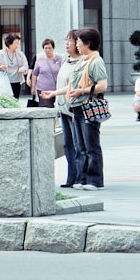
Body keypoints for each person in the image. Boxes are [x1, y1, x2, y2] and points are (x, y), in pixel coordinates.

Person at [41, 27, 108, 191]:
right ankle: (84, 178)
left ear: (88, 43)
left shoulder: (96, 61)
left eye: (78, 41)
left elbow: (102, 85)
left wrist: (82, 91)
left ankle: (95, 180)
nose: (76, 44)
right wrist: (55, 93)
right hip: (76, 107)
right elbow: (72, 86)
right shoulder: (82, 61)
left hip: (87, 107)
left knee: (92, 146)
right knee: (82, 146)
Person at [53, 31, 82, 188]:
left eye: (69, 41)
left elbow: (75, 87)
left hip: (73, 110)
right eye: (66, 40)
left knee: (77, 145)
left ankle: (79, 177)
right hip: (62, 108)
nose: (66, 43)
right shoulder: (66, 60)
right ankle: (71, 177)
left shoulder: (81, 62)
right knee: (67, 145)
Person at [0, 33, 29, 98]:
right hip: (3, 82)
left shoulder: (20, 54)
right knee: (5, 101)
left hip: (16, 81)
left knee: (15, 100)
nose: (17, 45)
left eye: (18, 43)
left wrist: (23, 69)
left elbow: (26, 66)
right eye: (16, 43)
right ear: (9, 44)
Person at [29, 38, 62, 108]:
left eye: (49, 48)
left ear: (53, 48)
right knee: (46, 108)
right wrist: (33, 87)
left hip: (57, 89)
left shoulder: (59, 59)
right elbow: (34, 74)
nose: (47, 50)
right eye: (45, 48)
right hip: (43, 89)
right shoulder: (40, 60)